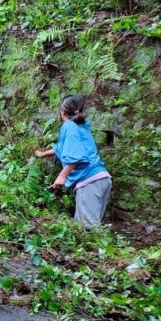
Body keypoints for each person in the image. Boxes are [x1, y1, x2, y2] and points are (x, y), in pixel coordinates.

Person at [35, 95, 112, 227]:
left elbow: (76, 155)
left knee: (87, 230)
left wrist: (61, 176)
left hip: (90, 182)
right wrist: (43, 154)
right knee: (92, 229)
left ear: (63, 112)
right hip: (102, 179)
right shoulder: (81, 127)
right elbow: (63, 147)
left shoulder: (69, 126)